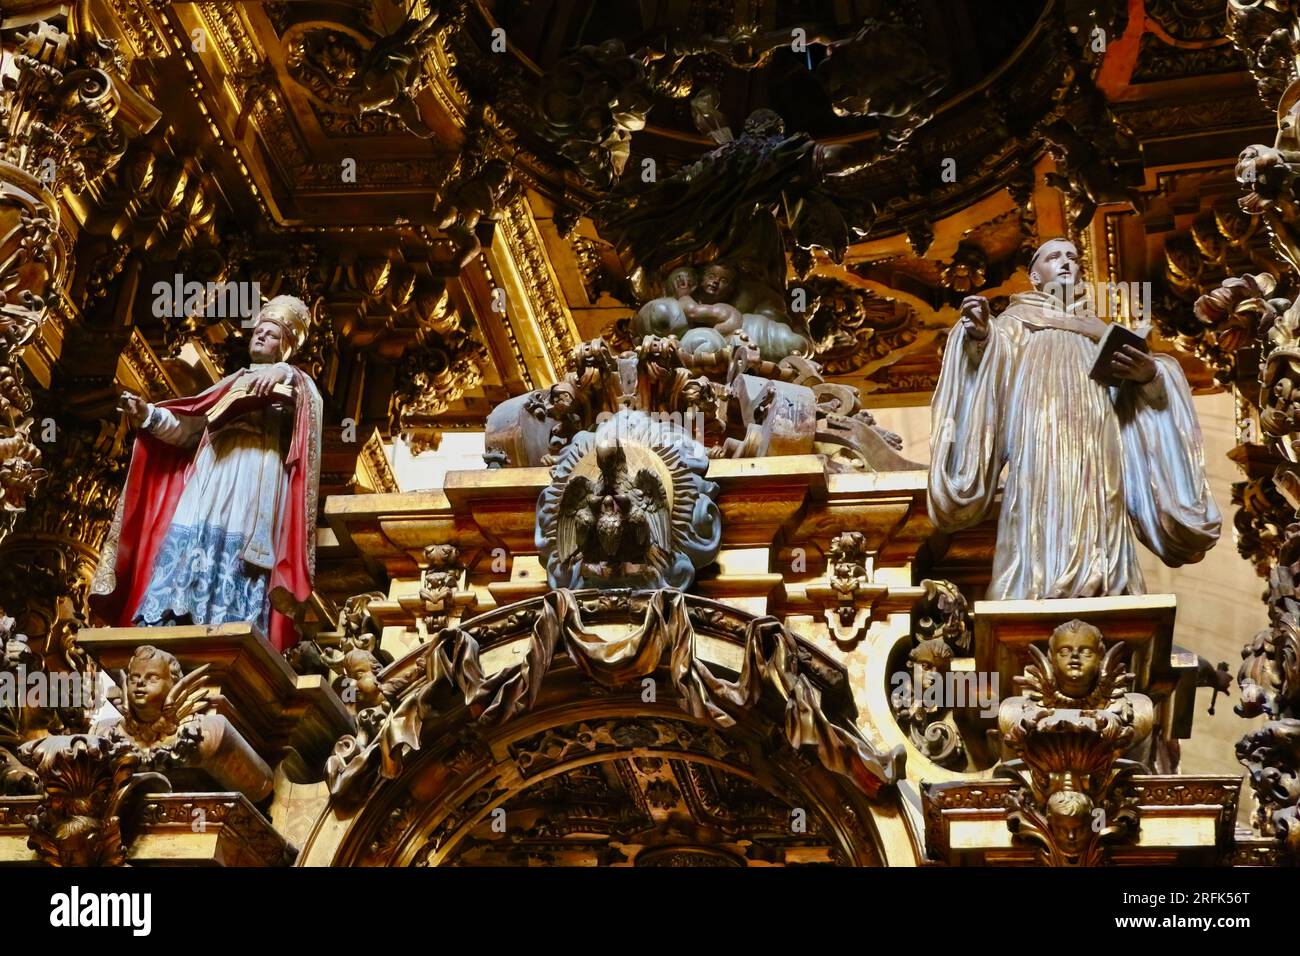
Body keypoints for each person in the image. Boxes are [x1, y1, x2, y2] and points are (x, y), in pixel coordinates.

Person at [928, 238, 1220, 600]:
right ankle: (1033, 585)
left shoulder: (1101, 332)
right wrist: (978, 336)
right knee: (1040, 501)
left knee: (1102, 497)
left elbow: (1135, 408)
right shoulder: (1015, 323)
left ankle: (1105, 583)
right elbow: (987, 374)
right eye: (1054, 257)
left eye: (1072, 257)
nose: (1066, 262)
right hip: (1039, 436)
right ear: (1035, 276)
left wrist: (1149, 376)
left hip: (1098, 438)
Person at [90, 295, 322, 651]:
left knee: (239, 542)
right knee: (194, 534)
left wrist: (287, 373)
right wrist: (147, 415)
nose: (260, 337)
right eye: (259, 330)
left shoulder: (295, 382)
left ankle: (228, 617)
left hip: (256, 474)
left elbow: (310, 418)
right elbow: (187, 427)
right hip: (214, 470)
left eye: (272, 334)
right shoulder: (231, 382)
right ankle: (171, 612)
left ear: (287, 347)